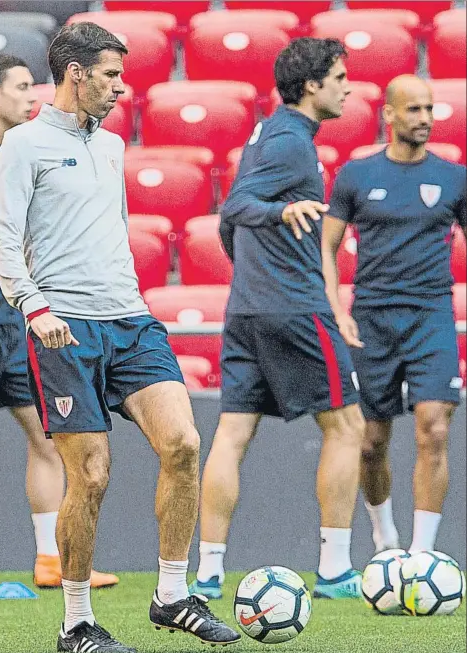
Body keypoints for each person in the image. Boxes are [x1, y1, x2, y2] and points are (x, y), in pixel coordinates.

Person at [0, 22, 240, 653]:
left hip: (130, 319)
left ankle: (172, 596)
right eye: (110, 75)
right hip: (64, 329)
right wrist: (34, 306)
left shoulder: (110, 144)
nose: (121, 89)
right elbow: (2, 240)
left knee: (183, 443)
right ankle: (76, 623)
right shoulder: (23, 143)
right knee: (92, 475)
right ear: (75, 73)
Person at [0, 54, 118, 593]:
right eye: (20, 87)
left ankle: (50, 560)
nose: (33, 95)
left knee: (49, 437)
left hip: (22, 324)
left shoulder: (25, 152)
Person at [189, 37, 365, 602]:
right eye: (339, 77)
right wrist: (281, 211)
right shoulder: (291, 142)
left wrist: (249, 269)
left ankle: (210, 573)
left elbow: (229, 219)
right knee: (347, 428)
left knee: (233, 434)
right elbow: (236, 208)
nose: (347, 86)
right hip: (293, 306)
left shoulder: (268, 132)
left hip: (247, 308)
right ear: (311, 85)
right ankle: (335, 569)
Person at [322, 74, 466, 555]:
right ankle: (386, 541)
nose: (424, 118)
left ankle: (423, 556)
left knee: (435, 427)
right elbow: (328, 243)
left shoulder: (454, 178)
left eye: (429, 109)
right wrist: (336, 308)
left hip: (431, 317)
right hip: (371, 320)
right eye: (414, 110)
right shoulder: (357, 175)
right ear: (389, 114)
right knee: (370, 442)